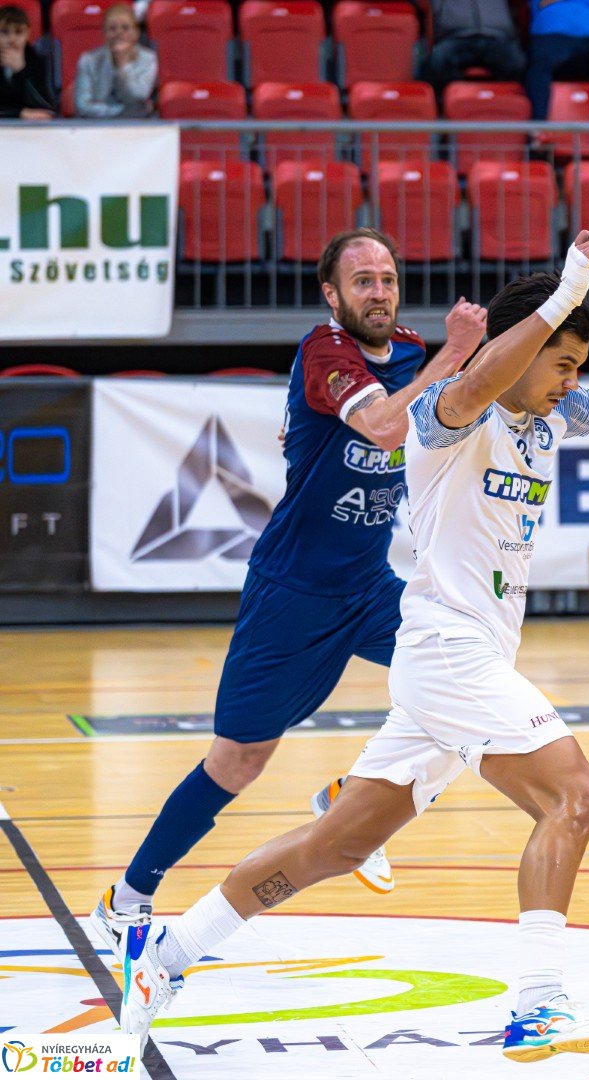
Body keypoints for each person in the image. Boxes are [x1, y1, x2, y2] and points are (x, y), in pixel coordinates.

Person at [119, 232, 589, 1061]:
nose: (573, 378)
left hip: (462, 660)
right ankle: (540, 1004)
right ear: (519, 346)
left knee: (335, 845)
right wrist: (558, 300)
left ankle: (163, 962)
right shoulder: (446, 412)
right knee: (576, 799)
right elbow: (482, 377)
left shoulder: (555, 408)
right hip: (450, 651)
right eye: (562, 359)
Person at [91, 229, 488, 955]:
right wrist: (456, 353)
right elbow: (384, 423)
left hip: (368, 584)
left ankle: (350, 803)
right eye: (362, 280)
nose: (379, 290)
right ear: (332, 295)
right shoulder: (325, 353)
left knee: (466, 677)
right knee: (237, 762)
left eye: (389, 278)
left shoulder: (408, 351)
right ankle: (127, 897)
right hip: (293, 592)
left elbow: (456, 409)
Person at [419, 0, 526, 93]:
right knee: (436, 61)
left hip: (496, 37)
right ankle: (454, 99)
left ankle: (499, 99)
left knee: (518, 62)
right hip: (456, 37)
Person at [74, 2, 157, 117]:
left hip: (136, 126)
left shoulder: (148, 59)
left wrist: (122, 65)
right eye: (112, 28)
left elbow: (137, 97)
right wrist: (120, 111)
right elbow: (83, 107)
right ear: (104, 33)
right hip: (96, 126)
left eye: (125, 28)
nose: (119, 33)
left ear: (136, 33)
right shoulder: (88, 61)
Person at [0, 5, 54, 119]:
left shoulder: (37, 61)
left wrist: (22, 71)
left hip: (30, 131)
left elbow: (46, 107)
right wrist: (19, 113)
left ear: (28, 33)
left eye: (19, 32)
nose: (12, 39)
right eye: (5, 32)